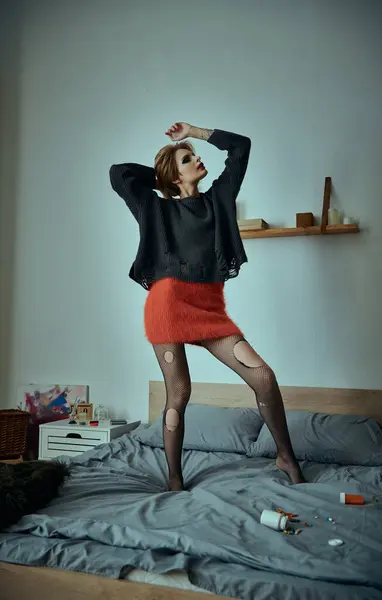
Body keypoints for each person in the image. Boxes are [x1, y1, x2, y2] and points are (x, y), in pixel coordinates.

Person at [109, 122, 305, 491]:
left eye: (193, 155)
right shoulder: (155, 208)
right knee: (180, 393)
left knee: (263, 377)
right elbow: (119, 175)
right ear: (174, 174)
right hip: (167, 306)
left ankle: (285, 456)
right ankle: (174, 478)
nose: (197, 159)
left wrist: (195, 133)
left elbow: (241, 147)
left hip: (209, 309)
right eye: (188, 159)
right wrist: (164, 176)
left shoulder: (219, 197)